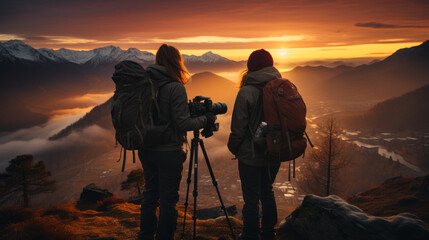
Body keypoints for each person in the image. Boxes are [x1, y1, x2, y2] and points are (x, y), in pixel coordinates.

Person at [138, 44, 214, 240]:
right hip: (168, 151)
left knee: (149, 196)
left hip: (146, 147)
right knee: (168, 201)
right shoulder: (175, 87)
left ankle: (145, 236)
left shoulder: (145, 83)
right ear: (176, 61)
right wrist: (206, 119)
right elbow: (183, 123)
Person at [227, 49, 282, 240]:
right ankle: (268, 233)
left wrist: (233, 148)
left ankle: (250, 235)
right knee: (267, 191)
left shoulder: (246, 92)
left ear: (250, 67)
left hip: (250, 155)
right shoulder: (281, 88)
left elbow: (238, 129)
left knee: (251, 198)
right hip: (274, 151)